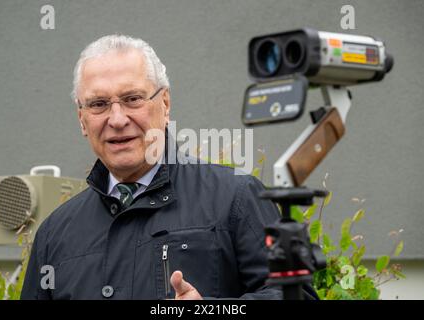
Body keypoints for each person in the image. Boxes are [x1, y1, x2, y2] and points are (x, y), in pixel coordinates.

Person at [20, 35, 310, 300]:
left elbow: (296, 297)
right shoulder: (54, 234)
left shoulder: (237, 197)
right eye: (99, 104)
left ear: (166, 103)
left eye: (132, 99)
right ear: (82, 119)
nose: (117, 119)